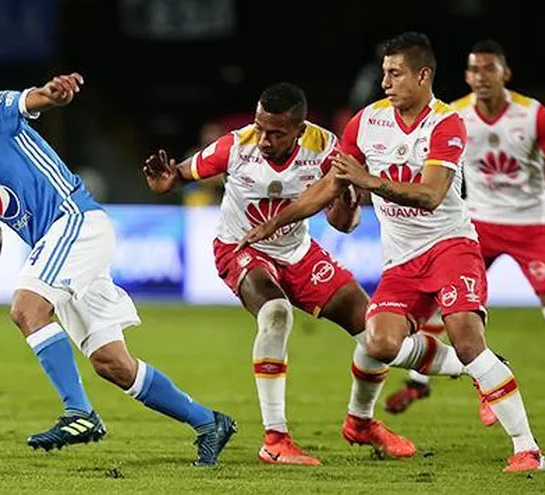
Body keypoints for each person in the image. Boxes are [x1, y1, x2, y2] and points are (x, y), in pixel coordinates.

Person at [0, 65, 236, 465]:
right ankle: (210, 423)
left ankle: (80, 413)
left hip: (75, 222)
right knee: (112, 364)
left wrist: (54, 93)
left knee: (26, 308)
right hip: (57, 245)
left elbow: (33, 98)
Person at [239, 32, 545, 472]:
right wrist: (277, 221)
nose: (386, 82)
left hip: (449, 247)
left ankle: (528, 449)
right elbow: (331, 185)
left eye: (396, 73)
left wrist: (368, 182)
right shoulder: (365, 122)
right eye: (384, 73)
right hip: (401, 260)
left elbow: (431, 194)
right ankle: (364, 421)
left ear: (423, 76)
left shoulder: (445, 123)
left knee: (464, 338)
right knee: (378, 342)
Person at [143, 83, 416, 465]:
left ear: (299, 130)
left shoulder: (324, 149)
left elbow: (345, 223)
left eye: (275, 133)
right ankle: (275, 439)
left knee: (375, 332)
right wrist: (164, 181)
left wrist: (350, 204)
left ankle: (363, 422)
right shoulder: (235, 146)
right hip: (241, 247)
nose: (264, 140)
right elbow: (179, 174)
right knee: (276, 313)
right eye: (260, 128)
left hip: (297, 252)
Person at [385, 39, 545, 422]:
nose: (480, 77)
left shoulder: (532, 115)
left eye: (488, 69)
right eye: (473, 69)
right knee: (439, 300)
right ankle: (420, 382)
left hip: (532, 225)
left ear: (506, 73)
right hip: (477, 221)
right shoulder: (453, 115)